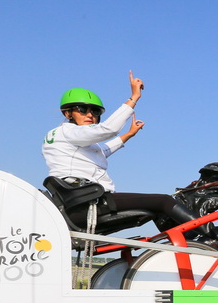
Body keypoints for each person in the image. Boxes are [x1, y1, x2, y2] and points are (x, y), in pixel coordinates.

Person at [42, 71, 199, 229]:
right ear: (68, 113)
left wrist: (129, 134)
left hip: (81, 202)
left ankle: (187, 241)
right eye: (82, 109)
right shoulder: (68, 132)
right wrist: (134, 97)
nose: (90, 114)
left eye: (95, 111)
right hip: (89, 202)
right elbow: (108, 129)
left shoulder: (66, 137)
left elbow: (102, 150)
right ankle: (214, 235)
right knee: (164, 201)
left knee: (157, 210)